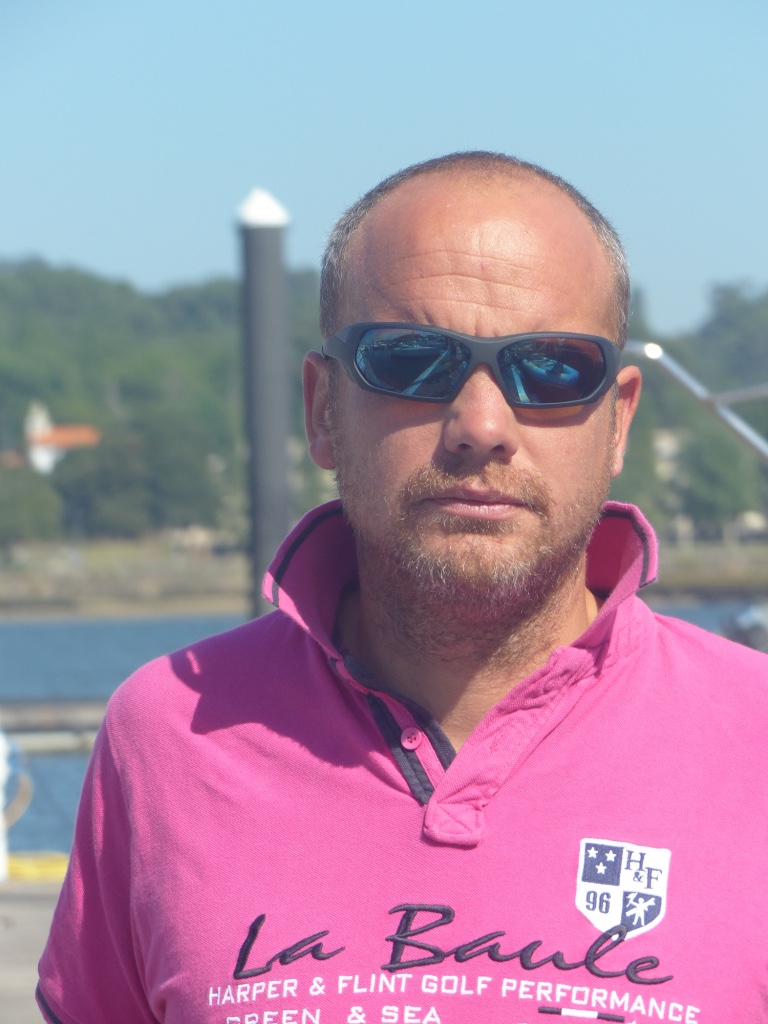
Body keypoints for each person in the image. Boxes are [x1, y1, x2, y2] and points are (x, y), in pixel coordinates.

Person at [38, 152, 768, 1024]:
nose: (482, 426)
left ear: (619, 421)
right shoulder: (166, 733)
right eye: (413, 361)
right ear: (322, 410)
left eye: (552, 367)